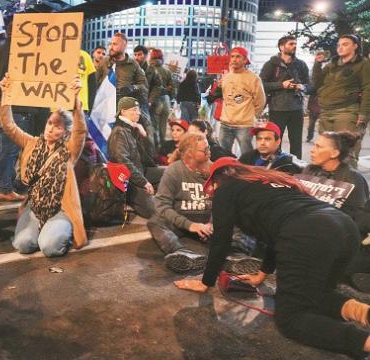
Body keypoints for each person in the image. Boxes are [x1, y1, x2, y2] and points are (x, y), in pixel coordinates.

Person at [175, 157, 370, 359]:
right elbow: (274, 234)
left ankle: (364, 342)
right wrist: (262, 274)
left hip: (309, 233)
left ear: (217, 179)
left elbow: (221, 241)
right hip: (345, 229)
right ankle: (364, 313)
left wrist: (206, 282)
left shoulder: (226, 189)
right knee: (314, 295)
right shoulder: (270, 180)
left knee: (291, 319)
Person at [0, 73, 87, 257]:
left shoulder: (69, 151)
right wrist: (6, 94)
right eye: (49, 123)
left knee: (49, 248)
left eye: (57, 126)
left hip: (60, 209)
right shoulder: (31, 143)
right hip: (34, 207)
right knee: (23, 245)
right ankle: (44, 228)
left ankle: (60, 231)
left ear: (65, 133)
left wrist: (76, 99)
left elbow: (80, 131)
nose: (50, 128)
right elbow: (9, 126)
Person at [149, 135, 258, 274]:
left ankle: (235, 256)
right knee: (155, 221)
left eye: (208, 147)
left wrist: (213, 223)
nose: (209, 151)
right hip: (184, 219)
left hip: (212, 218)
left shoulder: (216, 170)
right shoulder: (174, 171)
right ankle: (182, 254)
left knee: (241, 217)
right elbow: (162, 205)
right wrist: (190, 225)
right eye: (204, 149)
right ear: (189, 153)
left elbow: (227, 202)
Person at [304, 131, 370, 289]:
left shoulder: (354, 180)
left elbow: (358, 223)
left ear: (334, 153)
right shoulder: (308, 171)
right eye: (314, 145)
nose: (313, 150)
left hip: (336, 239)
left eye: (319, 147)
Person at [0, 26, 30, 202]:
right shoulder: (23, 54)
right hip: (12, 106)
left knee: (2, 146)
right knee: (10, 149)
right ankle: (4, 189)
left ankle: (3, 180)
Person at [312, 34, 370, 167]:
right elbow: (317, 84)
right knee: (326, 152)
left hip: (347, 111)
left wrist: (364, 115)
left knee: (346, 153)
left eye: (345, 44)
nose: (340, 47)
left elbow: (368, 89)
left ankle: (348, 185)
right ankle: (329, 185)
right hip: (326, 111)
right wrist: (317, 64)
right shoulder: (332, 63)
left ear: (355, 46)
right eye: (339, 45)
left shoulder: (363, 64)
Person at [108, 97, 161, 219]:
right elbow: (123, 162)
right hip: (129, 179)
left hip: (140, 170)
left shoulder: (132, 128)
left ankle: (158, 198)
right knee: (153, 211)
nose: (138, 113)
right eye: (134, 110)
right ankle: (130, 199)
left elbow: (149, 155)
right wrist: (143, 182)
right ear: (123, 111)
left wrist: (144, 135)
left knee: (169, 172)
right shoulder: (119, 131)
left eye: (138, 110)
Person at [259, 35, 310, 159]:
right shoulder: (271, 64)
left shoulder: (300, 64)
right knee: (276, 141)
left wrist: (302, 87)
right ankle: (277, 166)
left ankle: (295, 168)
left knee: (296, 142)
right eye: (291, 44)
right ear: (282, 47)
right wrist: (281, 85)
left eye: (295, 44)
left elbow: (310, 85)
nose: (294, 46)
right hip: (277, 109)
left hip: (296, 109)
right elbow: (261, 85)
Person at [214, 46, 266, 156]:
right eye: (232, 56)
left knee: (247, 156)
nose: (234, 59)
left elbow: (260, 101)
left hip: (244, 125)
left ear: (245, 60)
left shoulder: (253, 78)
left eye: (238, 57)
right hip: (225, 123)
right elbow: (226, 97)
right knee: (223, 155)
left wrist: (251, 116)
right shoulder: (226, 76)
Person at [96, 33, 150, 127]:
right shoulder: (104, 62)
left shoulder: (133, 64)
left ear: (124, 45)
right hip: (106, 109)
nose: (111, 47)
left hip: (124, 111)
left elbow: (144, 85)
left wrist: (132, 88)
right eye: (111, 44)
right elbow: (95, 83)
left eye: (115, 44)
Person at [147, 48, 174, 146]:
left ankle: (155, 149)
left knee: (154, 126)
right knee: (163, 126)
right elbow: (172, 88)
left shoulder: (149, 70)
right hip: (166, 100)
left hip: (155, 100)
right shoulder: (167, 71)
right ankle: (163, 147)